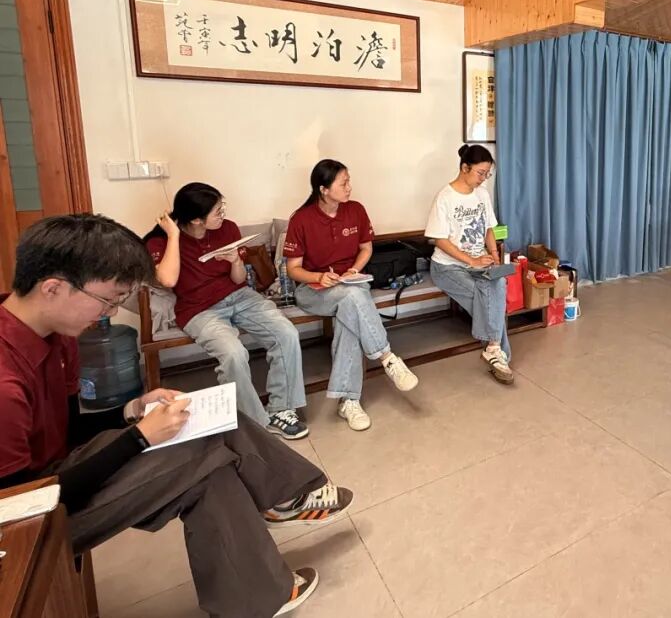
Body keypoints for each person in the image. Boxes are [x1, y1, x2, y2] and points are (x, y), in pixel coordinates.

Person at [0, 214, 354, 617]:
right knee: (201, 451)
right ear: (52, 288)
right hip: (30, 521)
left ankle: (258, 593)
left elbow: (67, 431)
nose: (109, 313)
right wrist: (139, 438)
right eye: (109, 300)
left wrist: (133, 410)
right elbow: (20, 507)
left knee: (206, 425)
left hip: (60, 472)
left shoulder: (55, 333)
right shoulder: (5, 384)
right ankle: (285, 502)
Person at [145, 183, 308, 438]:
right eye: (217, 211)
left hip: (240, 297)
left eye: (223, 207)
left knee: (286, 333)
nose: (223, 214)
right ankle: (254, 423)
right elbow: (168, 280)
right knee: (233, 354)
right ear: (197, 220)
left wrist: (235, 261)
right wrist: (174, 236)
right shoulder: (160, 242)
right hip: (198, 309)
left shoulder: (228, 228)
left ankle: (282, 409)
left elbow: (238, 279)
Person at [285, 159, 419, 432]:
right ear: (323, 189)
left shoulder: (355, 210)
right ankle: (387, 358)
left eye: (349, 181)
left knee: (350, 312)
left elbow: (366, 248)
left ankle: (349, 401)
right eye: (343, 183)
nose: (349, 187)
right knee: (354, 299)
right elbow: (293, 269)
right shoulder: (301, 219)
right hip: (313, 291)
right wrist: (318, 277)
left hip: (351, 285)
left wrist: (353, 270)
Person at [425, 144, 514, 384]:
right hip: (447, 267)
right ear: (465, 168)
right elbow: (440, 240)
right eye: (480, 173)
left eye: (487, 174)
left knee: (497, 284)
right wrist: (472, 260)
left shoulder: (482, 195)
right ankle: (498, 353)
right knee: (485, 296)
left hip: (479, 262)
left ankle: (493, 349)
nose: (483, 179)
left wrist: (494, 254)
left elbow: (489, 228)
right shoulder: (445, 197)